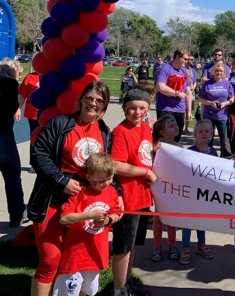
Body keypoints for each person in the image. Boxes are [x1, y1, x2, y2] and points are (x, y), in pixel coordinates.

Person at [28, 81, 113, 296]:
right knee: (50, 259)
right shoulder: (60, 124)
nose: (92, 103)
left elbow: (108, 167)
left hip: (84, 205)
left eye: (99, 101)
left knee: (77, 262)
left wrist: (116, 194)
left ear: (103, 107)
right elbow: (38, 155)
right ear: (81, 99)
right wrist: (61, 180)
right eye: (89, 98)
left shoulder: (103, 132)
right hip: (52, 199)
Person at [52, 153, 123, 296]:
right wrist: (89, 215)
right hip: (75, 256)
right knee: (69, 291)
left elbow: (118, 212)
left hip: (96, 253)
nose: (107, 183)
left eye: (110, 179)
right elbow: (64, 219)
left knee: (88, 290)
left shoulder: (111, 192)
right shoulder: (79, 193)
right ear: (89, 178)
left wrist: (108, 220)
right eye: (102, 180)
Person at [110, 89, 157, 296]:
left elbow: (145, 152)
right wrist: (145, 172)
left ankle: (128, 282)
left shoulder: (146, 127)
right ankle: (118, 289)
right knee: (122, 247)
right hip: (128, 198)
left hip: (143, 196)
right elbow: (116, 165)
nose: (137, 112)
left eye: (142, 108)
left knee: (134, 244)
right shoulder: (120, 132)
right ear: (124, 109)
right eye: (132, 108)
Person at [179, 119, 217, 264]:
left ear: (211, 134)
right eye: (200, 131)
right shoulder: (188, 152)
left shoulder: (213, 152)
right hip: (191, 194)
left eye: (207, 131)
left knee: (202, 221)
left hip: (205, 195)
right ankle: (185, 247)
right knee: (188, 221)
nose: (203, 134)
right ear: (195, 134)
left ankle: (201, 244)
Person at [150, 115, 181, 263]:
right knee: (158, 218)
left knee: (171, 218)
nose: (175, 126)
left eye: (175, 123)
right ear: (162, 132)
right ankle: (157, 246)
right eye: (170, 125)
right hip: (159, 188)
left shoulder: (180, 147)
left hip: (174, 188)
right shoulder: (156, 148)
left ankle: (172, 245)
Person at [0, 58, 27, 229]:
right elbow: (10, 108)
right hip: (4, 137)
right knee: (12, 177)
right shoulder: (10, 85)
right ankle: (17, 215)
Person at [155, 49, 192, 142]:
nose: (187, 61)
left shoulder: (184, 72)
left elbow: (188, 92)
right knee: (164, 138)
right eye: (185, 59)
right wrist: (177, 93)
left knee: (176, 138)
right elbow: (160, 86)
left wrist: (189, 111)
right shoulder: (165, 68)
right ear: (177, 57)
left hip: (179, 109)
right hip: (165, 109)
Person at [199, 61, 235, 158]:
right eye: (217, 71)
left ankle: (225, 157)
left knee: (224, 138)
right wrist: (210, 103)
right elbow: (200, 98)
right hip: (209, 114)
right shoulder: (207, 84)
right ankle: (208, 155)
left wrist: (225, 103)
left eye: (221, 71)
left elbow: (232, 98)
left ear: (224, 73)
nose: (219, 73)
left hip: (222, 115)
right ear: (213, 72)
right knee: (208, 137)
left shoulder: (227, 84)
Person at [16, 68, 41, 136]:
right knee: (34, 135)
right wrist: (18, 108)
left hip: (48, 113)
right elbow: (22, 95)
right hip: (33, 114)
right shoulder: (30, 77)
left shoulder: (52, 76)